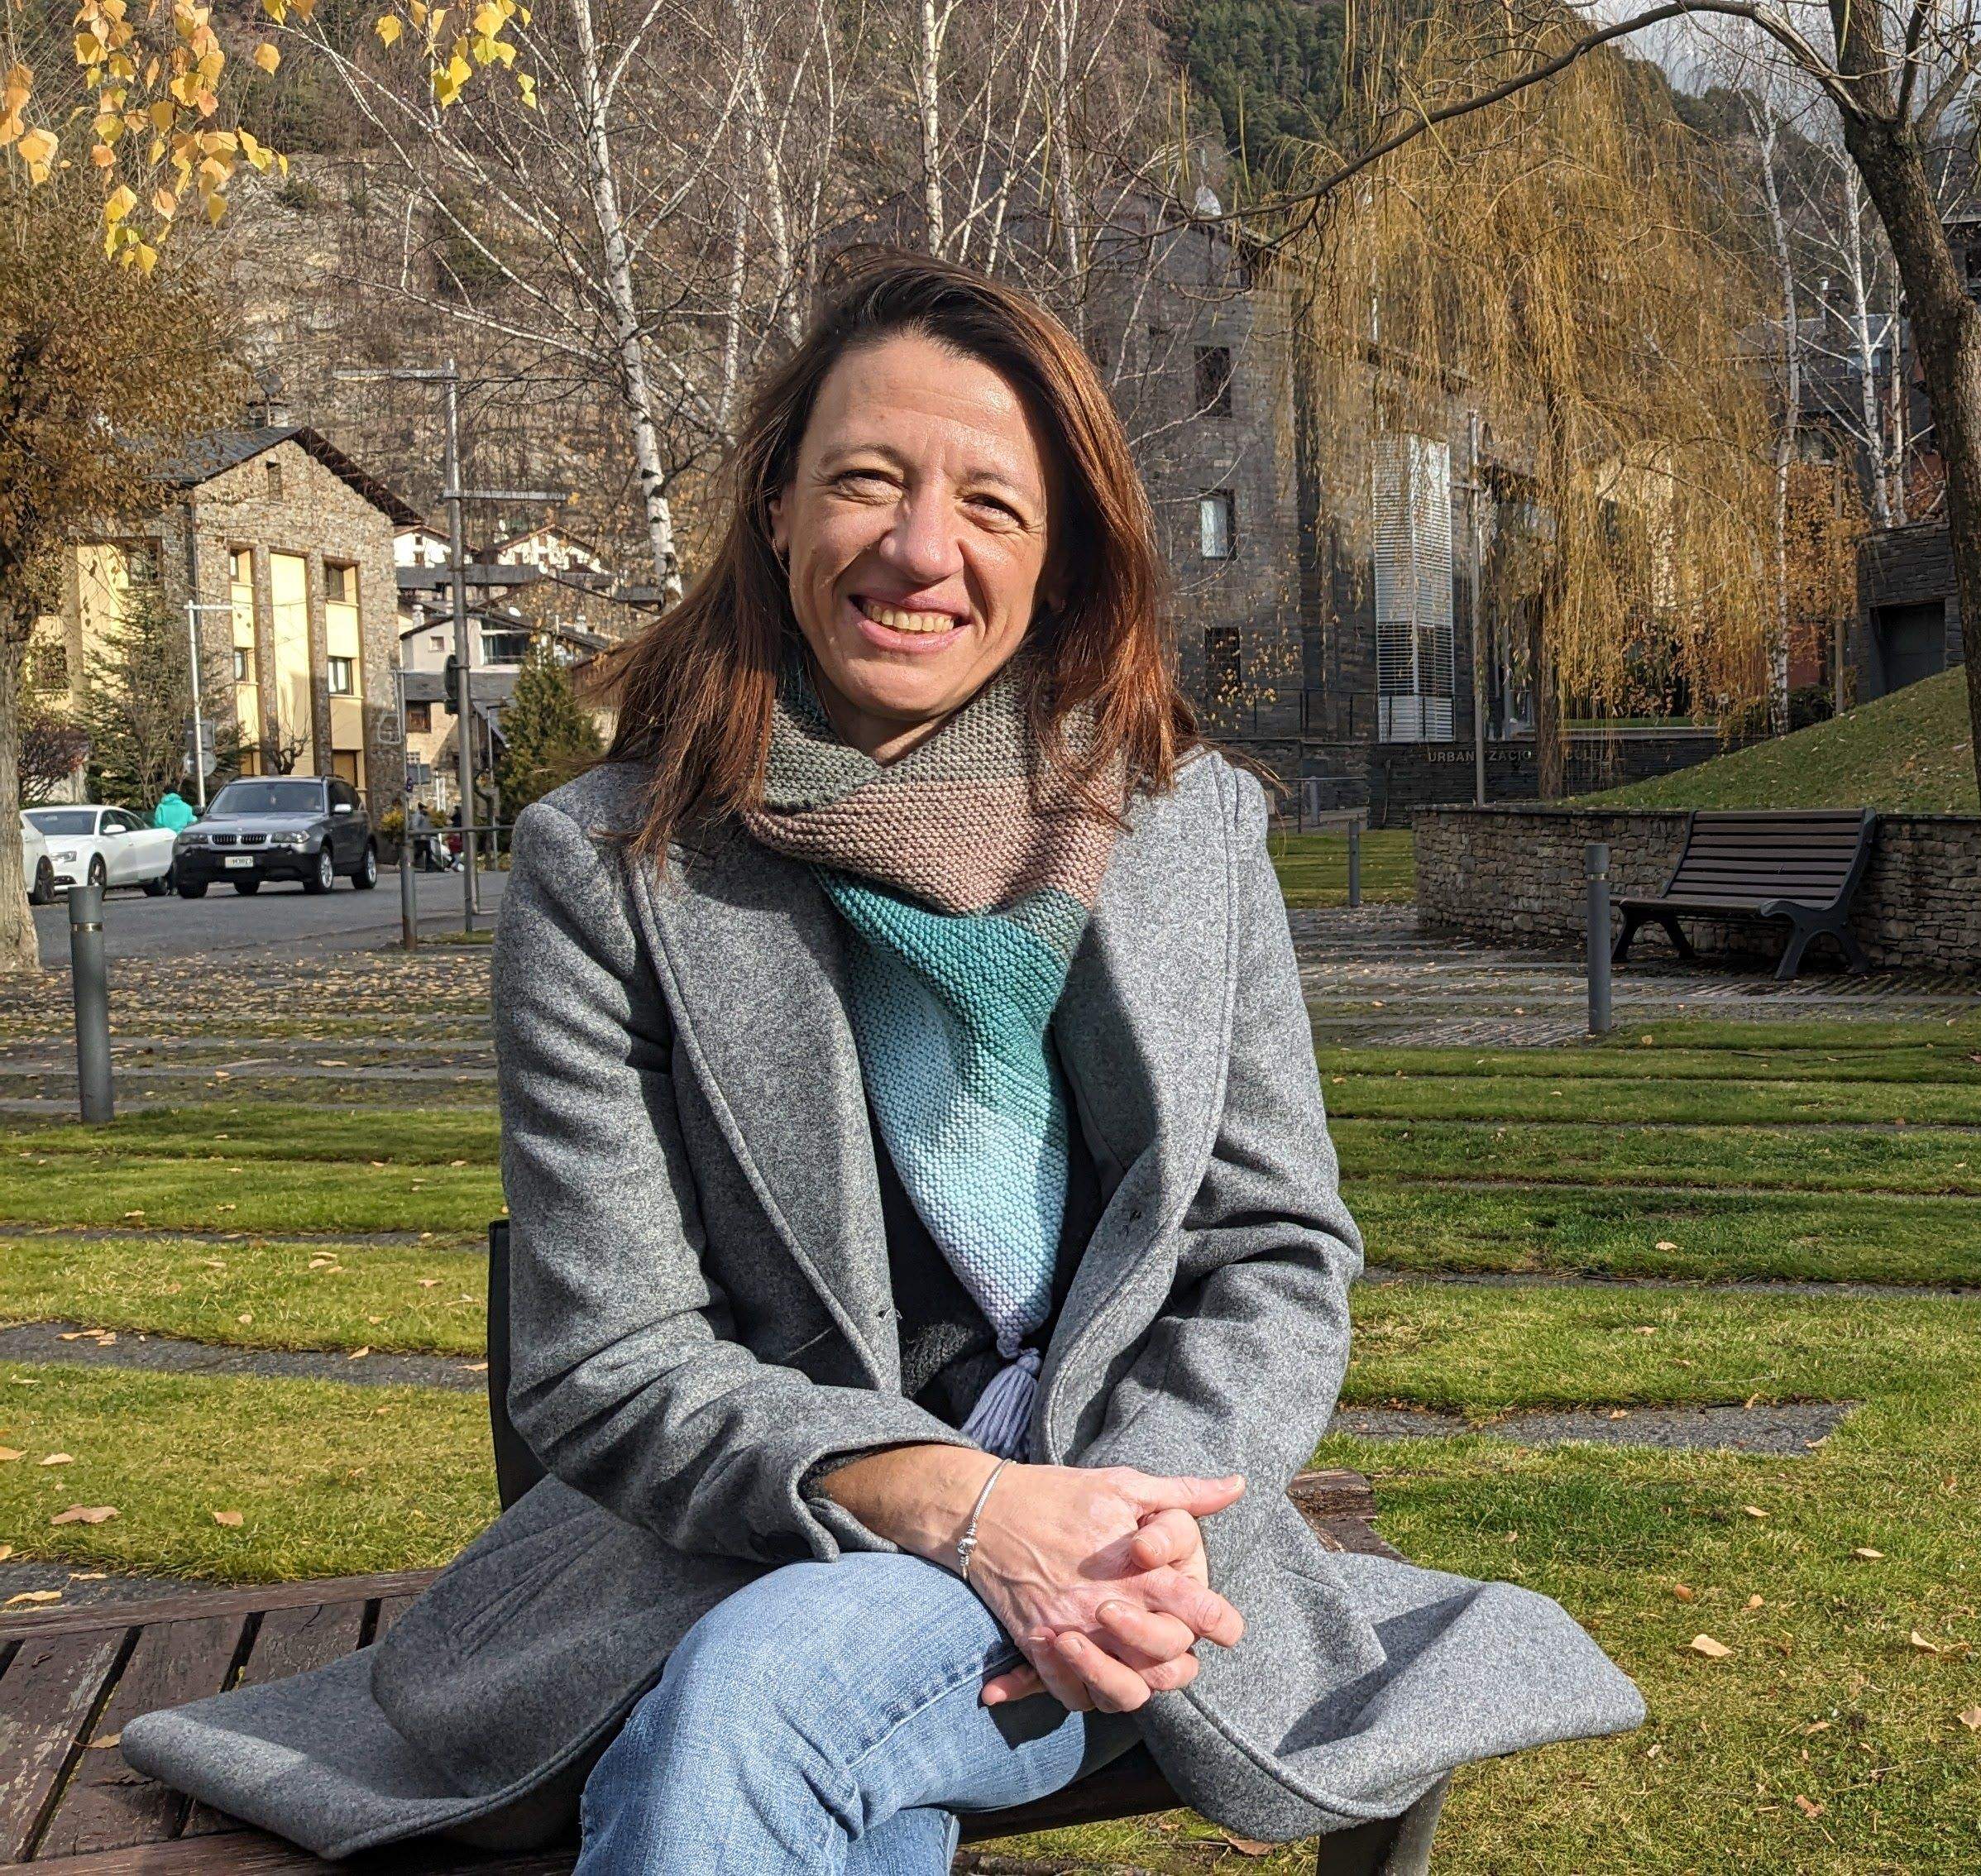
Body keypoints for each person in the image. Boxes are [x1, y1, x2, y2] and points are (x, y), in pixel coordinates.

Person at [123, 251, 1644, 1872]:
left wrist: (1114, 1516)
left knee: (761, 1714)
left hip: (1139, 1554)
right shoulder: (611, 867)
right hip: (757, 1535)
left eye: (992, 504)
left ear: (1060, 557)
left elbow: (1272, 1246)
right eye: (867, 481)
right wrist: (958, 1508)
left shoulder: (1188, 830)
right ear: (776, 508)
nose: (922, 549)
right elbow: (606, 1360)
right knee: (776, 1709)